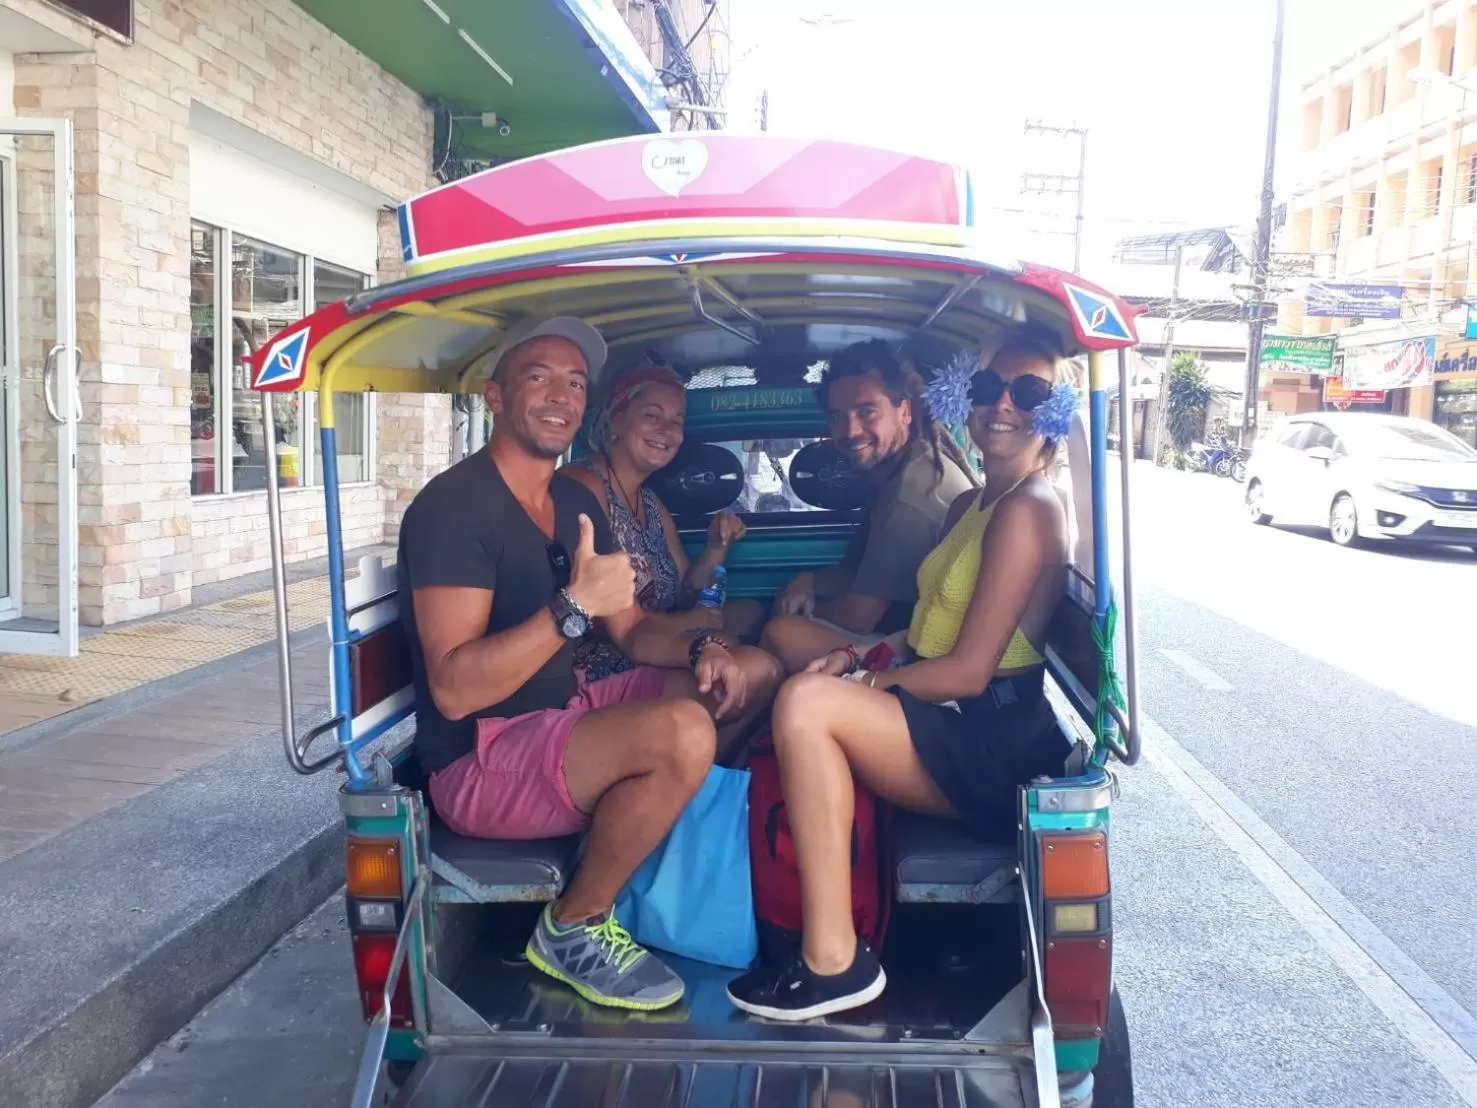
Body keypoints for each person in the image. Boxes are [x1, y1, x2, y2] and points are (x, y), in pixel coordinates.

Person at [396, 316, 782, 1013]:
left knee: (746, 674)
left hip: (563, 713)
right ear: (495, 395)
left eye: (574, 381)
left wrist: (705, 650)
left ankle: (643, 845)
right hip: (481, 759)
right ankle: (572, 926)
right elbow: (453, 690)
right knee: (682, 734)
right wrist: (571, 606)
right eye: (537, 376)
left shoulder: (571, 500)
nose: (558, 394)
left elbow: (632, 634)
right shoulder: (454, 507)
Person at [726, 326, 1077, 1022]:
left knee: (803, 705)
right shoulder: (971, 503)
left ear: (1055, 408)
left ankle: (832, 961)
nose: (1000, 404)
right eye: (985, 388)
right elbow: (921, 633)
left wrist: (863, 687)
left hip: (990, 743)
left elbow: (970, 673)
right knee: (811, 685)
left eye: (1027, 391)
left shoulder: (1029, 509)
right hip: (951, 722)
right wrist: (857, 656)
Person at [761, 339, 976, 673]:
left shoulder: (912, 496)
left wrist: (793, 611)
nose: (850, 431)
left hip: (926, 660)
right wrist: (808, 581)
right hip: (904, 636)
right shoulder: (893, 474)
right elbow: (853, 573)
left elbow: (859, 618)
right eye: (837, 417)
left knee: (781, 633)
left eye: (866, 412)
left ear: (904, 411)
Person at [562, 365, 764, 683]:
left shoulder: (652, 505)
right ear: (616, 418)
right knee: (752, 666)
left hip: (653, 641)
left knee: (750, 615)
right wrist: (687, 626)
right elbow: (597, 615)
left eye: (676, 421)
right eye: (652, 416)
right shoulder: (583, 486)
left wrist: (716, 547)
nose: (666, 431)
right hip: (599, 660)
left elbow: (685, 593)